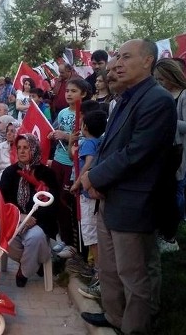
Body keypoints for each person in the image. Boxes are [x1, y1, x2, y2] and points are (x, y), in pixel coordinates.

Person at [79, 39, 177, 334]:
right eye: (116, 57)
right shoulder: (124, 97)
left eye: (126, 57)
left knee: (133, 274)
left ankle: (135, 327)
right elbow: (109, 146)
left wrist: (94, 177)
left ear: (147, 61)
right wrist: (95, 175)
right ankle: (114, 317)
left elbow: (136, 153)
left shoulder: (157, 100)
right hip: (109, 195)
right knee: (109, 268)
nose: (117, 63)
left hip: (134, 201)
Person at [0, 134, 59, 287]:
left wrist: (34, 218)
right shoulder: (10, 172)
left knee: (36, 237)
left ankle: (24, 272)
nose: (22, 151)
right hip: (16, 219)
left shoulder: (46, 173)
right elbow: (2, 200)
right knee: (3, 236)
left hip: (39, 222)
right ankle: (36, 263)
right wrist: (20, 216)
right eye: (19, 148)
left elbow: (52, 203)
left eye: (26, 147)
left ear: (34, 149)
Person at [153, 58, 186, 228]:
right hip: (163, 148)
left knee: (177, 188)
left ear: (172, 76)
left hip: (180, 149)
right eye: (156, 79)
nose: (159, 83)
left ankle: (176, 224)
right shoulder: (162, 94)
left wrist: (169, 120)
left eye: (162, 79)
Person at [47, 78, 89, 258]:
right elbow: (55, 129)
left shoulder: (85, 114)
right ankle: (64, 239)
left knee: (68, 202)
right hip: (58, 159)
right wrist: (52, 134)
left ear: (84, 94)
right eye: (67, 91)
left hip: (74, 164)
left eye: (74, 91)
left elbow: (83, 136)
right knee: (56, 199)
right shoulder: (63, 112)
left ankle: (75, 245)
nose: (69, 94)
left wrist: (65, 135)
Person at [70, 110, 107, 298]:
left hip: (87, 195)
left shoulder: (89, 144)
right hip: (90, 194)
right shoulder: (99, 142)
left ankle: (99, 274)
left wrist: (78, 182)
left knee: (91, 235)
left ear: (85, 126)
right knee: (93, 234)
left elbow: (88, 163)